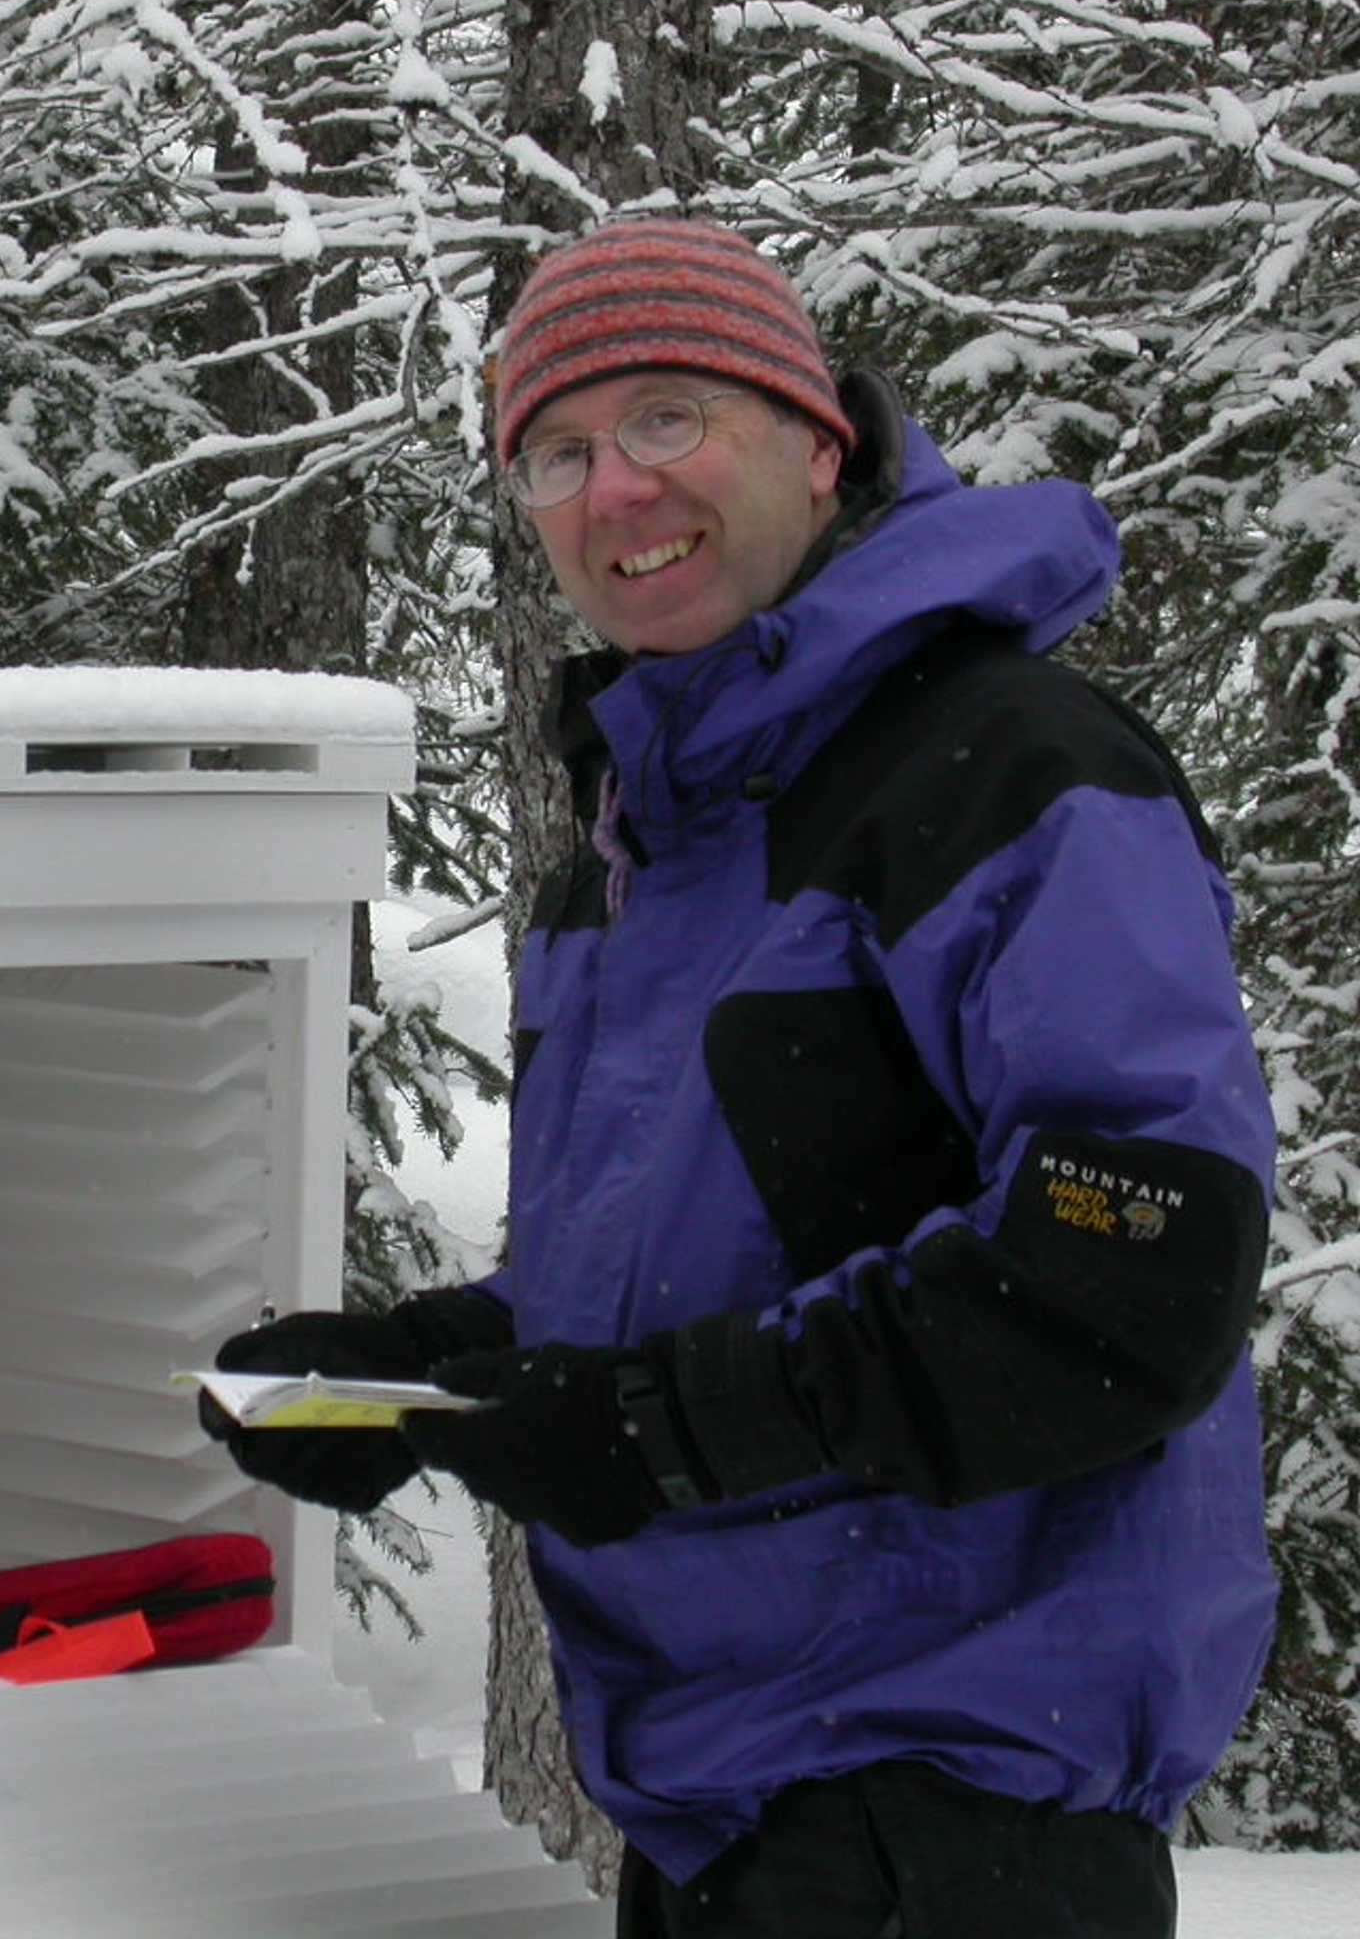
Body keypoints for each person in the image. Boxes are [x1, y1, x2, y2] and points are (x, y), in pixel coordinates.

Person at [203, 216, 1276, 1937]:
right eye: (554, 451)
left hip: (953, 1818)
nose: (614, 490)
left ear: (817, 439)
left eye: (668, 418)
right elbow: (698, 1265)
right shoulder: (650, 855)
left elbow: (1130, 1272)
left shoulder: (1010, 774)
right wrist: (426, 1375)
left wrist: (652, 1434)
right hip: (729, 1824)